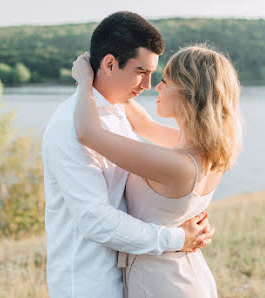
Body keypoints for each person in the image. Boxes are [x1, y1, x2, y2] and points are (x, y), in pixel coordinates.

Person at [42, 11, 214, 298]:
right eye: (141, 72)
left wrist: (187, 216)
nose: (148, 86)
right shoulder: (68, 127)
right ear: (109, 63)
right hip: (90, 284)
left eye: (152, 74)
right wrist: (177, 237)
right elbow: (96, 220)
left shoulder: (120, 114)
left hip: (132, 278)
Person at [71, 44, 242, 297]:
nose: (156, 87)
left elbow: (88, 133)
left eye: (166, 81)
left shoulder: (178, 165)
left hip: (161, 283)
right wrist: (113, 83)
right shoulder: (208, 151)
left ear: (189, 92)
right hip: (185, 274)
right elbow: (144, 125)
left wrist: (84, 81)